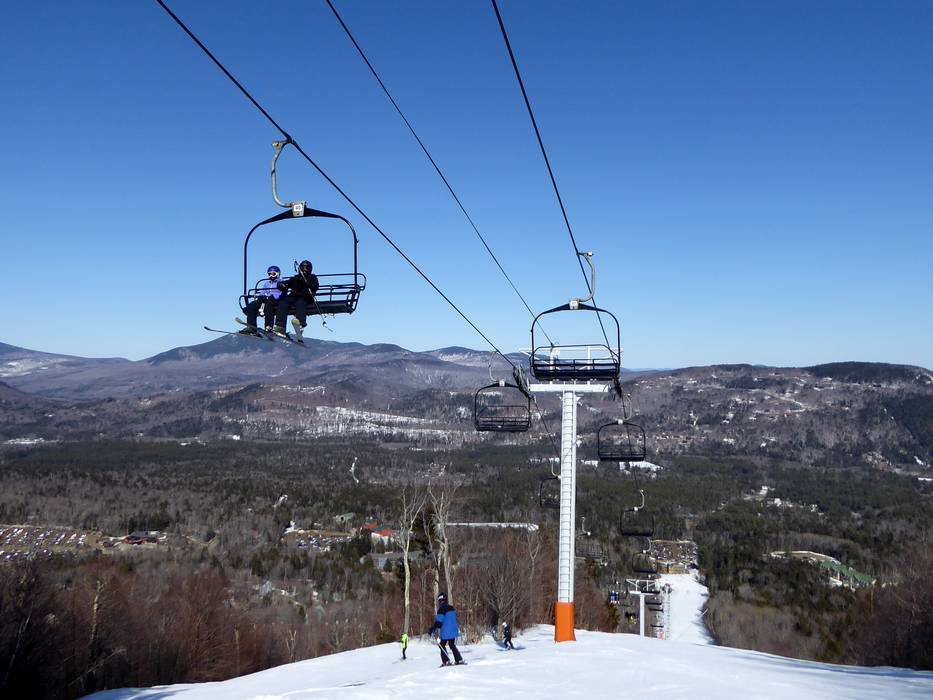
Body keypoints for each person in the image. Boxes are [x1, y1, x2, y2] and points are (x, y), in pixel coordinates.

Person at [273, 259, 319, 343]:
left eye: (307, 268)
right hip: (293, 296)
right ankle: (280, 325)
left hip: (305, 297)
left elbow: (315, 287)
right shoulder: (296, 278)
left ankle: (300, 324)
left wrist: (308, 284)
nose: (305, 270)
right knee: (283, 302)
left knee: (300, 303)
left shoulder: (312, 277)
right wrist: (281, 285)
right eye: (303, 268)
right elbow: (287, 283)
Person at [240, 265, 282, 335]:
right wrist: (261, 297)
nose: (271, 276)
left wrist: (273, 296)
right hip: (266, 299)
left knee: (269, 306)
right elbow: (263, 292)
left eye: (273, 274)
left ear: (278, 274)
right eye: (269, 274)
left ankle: (268, 327)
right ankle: (251, 327)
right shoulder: (267, 283)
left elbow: (281, 293)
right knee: (252, 305)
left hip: (275, 300)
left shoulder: (281, 283)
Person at [428, 592, 464, 666]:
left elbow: (439, 622)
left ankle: (446, 661)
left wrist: (432, 629)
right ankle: (459, 659)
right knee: (452, 644)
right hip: (454, 631)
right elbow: (455, 619)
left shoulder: (441, 609)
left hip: (446, 632)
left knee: (442, 645)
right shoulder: (451, 608)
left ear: (440, 601)